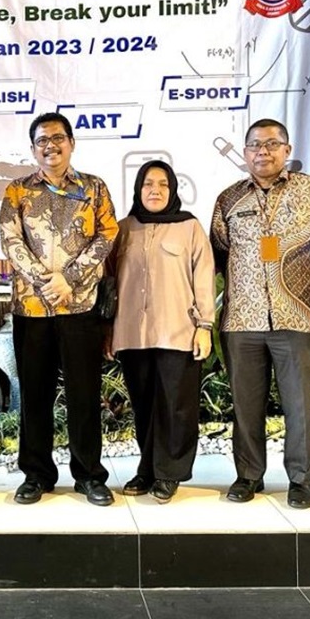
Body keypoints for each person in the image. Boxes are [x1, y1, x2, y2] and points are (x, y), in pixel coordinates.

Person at [209, 118, 310, 509]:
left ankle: (301, 481)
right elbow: (220, 251)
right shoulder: (229, 199)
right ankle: (248, 476)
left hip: (297, 316)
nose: (262, 152)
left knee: (300, 404)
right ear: (245, 152)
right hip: (242, 320)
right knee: (246, 404)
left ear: (287, 149)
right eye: (254, 145)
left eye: (271, 144)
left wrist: (301, 280)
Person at [0, 111, 119, 506]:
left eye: (57, 138)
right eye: (41, 141)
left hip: (80, 305)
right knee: (34, 394)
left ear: (71, 142)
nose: (50, 146)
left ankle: (88, 475)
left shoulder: (94, 188)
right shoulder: (17, 191)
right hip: (32, 310)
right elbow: (11, 241)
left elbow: (107, 235)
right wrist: (44, 281)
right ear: (33, 148)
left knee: (85, 394)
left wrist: (69, 277)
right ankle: (36, 474)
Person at [107, 160, 215, 503]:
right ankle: (148, 467)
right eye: (148, 184)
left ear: (173, 190)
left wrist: (205, 326)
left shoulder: (189, 228)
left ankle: (170, 472)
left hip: (178, 331)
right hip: (132, 334)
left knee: (176, 405)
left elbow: (204, 277)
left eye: (163, 184)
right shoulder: (123, 229)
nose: (155, 190)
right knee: (144, 405)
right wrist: (106, 330)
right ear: (138, 189)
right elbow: (109, 283)